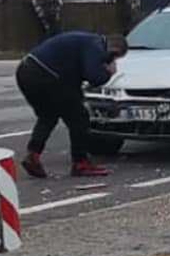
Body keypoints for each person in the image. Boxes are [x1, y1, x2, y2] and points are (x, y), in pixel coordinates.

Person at [17, 32, 128, 178]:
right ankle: (81, 163)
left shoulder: (84, 41)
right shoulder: (96, 46)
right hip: (47, 75)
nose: (112, 60)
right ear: (114, 50)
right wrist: (109, 72)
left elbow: (74, 77)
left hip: (26, 71)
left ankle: (33, 155)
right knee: (79, 118)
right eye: (115, 57)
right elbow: (94, 76)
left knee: (48, 115)